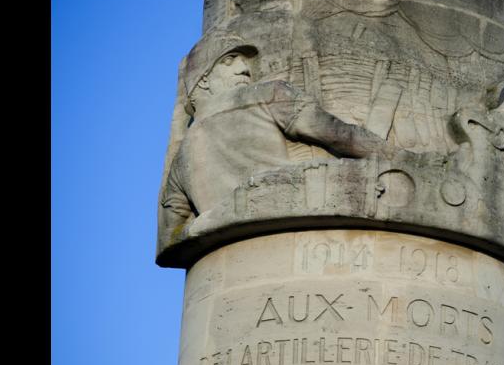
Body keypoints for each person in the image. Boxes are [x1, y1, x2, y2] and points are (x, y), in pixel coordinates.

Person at [159, 31, 391, 234]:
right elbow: (339, 135)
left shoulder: (180, 160)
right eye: (228, 61)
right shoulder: (263, 95)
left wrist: (208, 220)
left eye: (243, 62)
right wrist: (398, 156)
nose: (244, 69)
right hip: (301, 229)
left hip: (229, 258)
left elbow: (172, 231)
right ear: (203, 80)